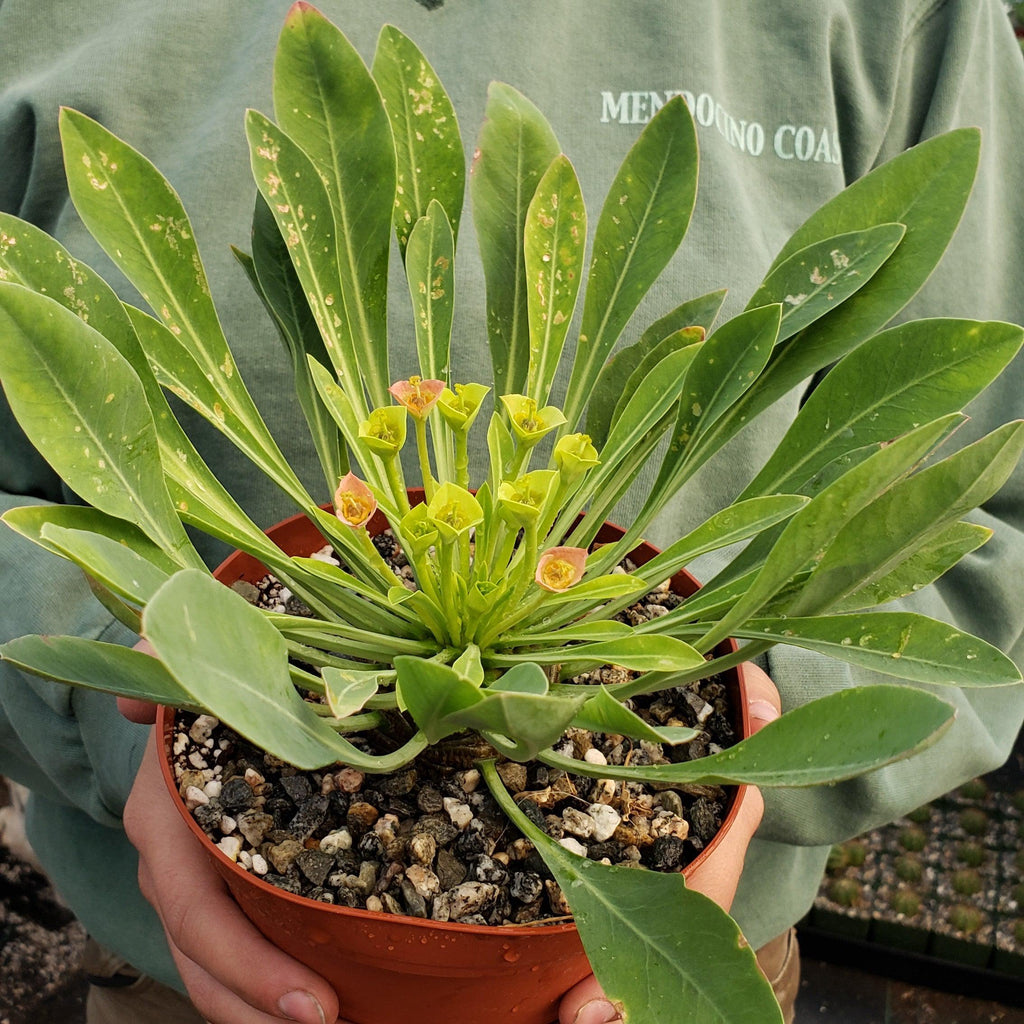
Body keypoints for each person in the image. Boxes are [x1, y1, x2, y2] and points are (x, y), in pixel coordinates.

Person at [1, 1, 1022, 1022]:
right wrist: (133, 705)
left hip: (687, 970)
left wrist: (739, 757)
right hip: (188, 974)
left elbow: (981, 530)